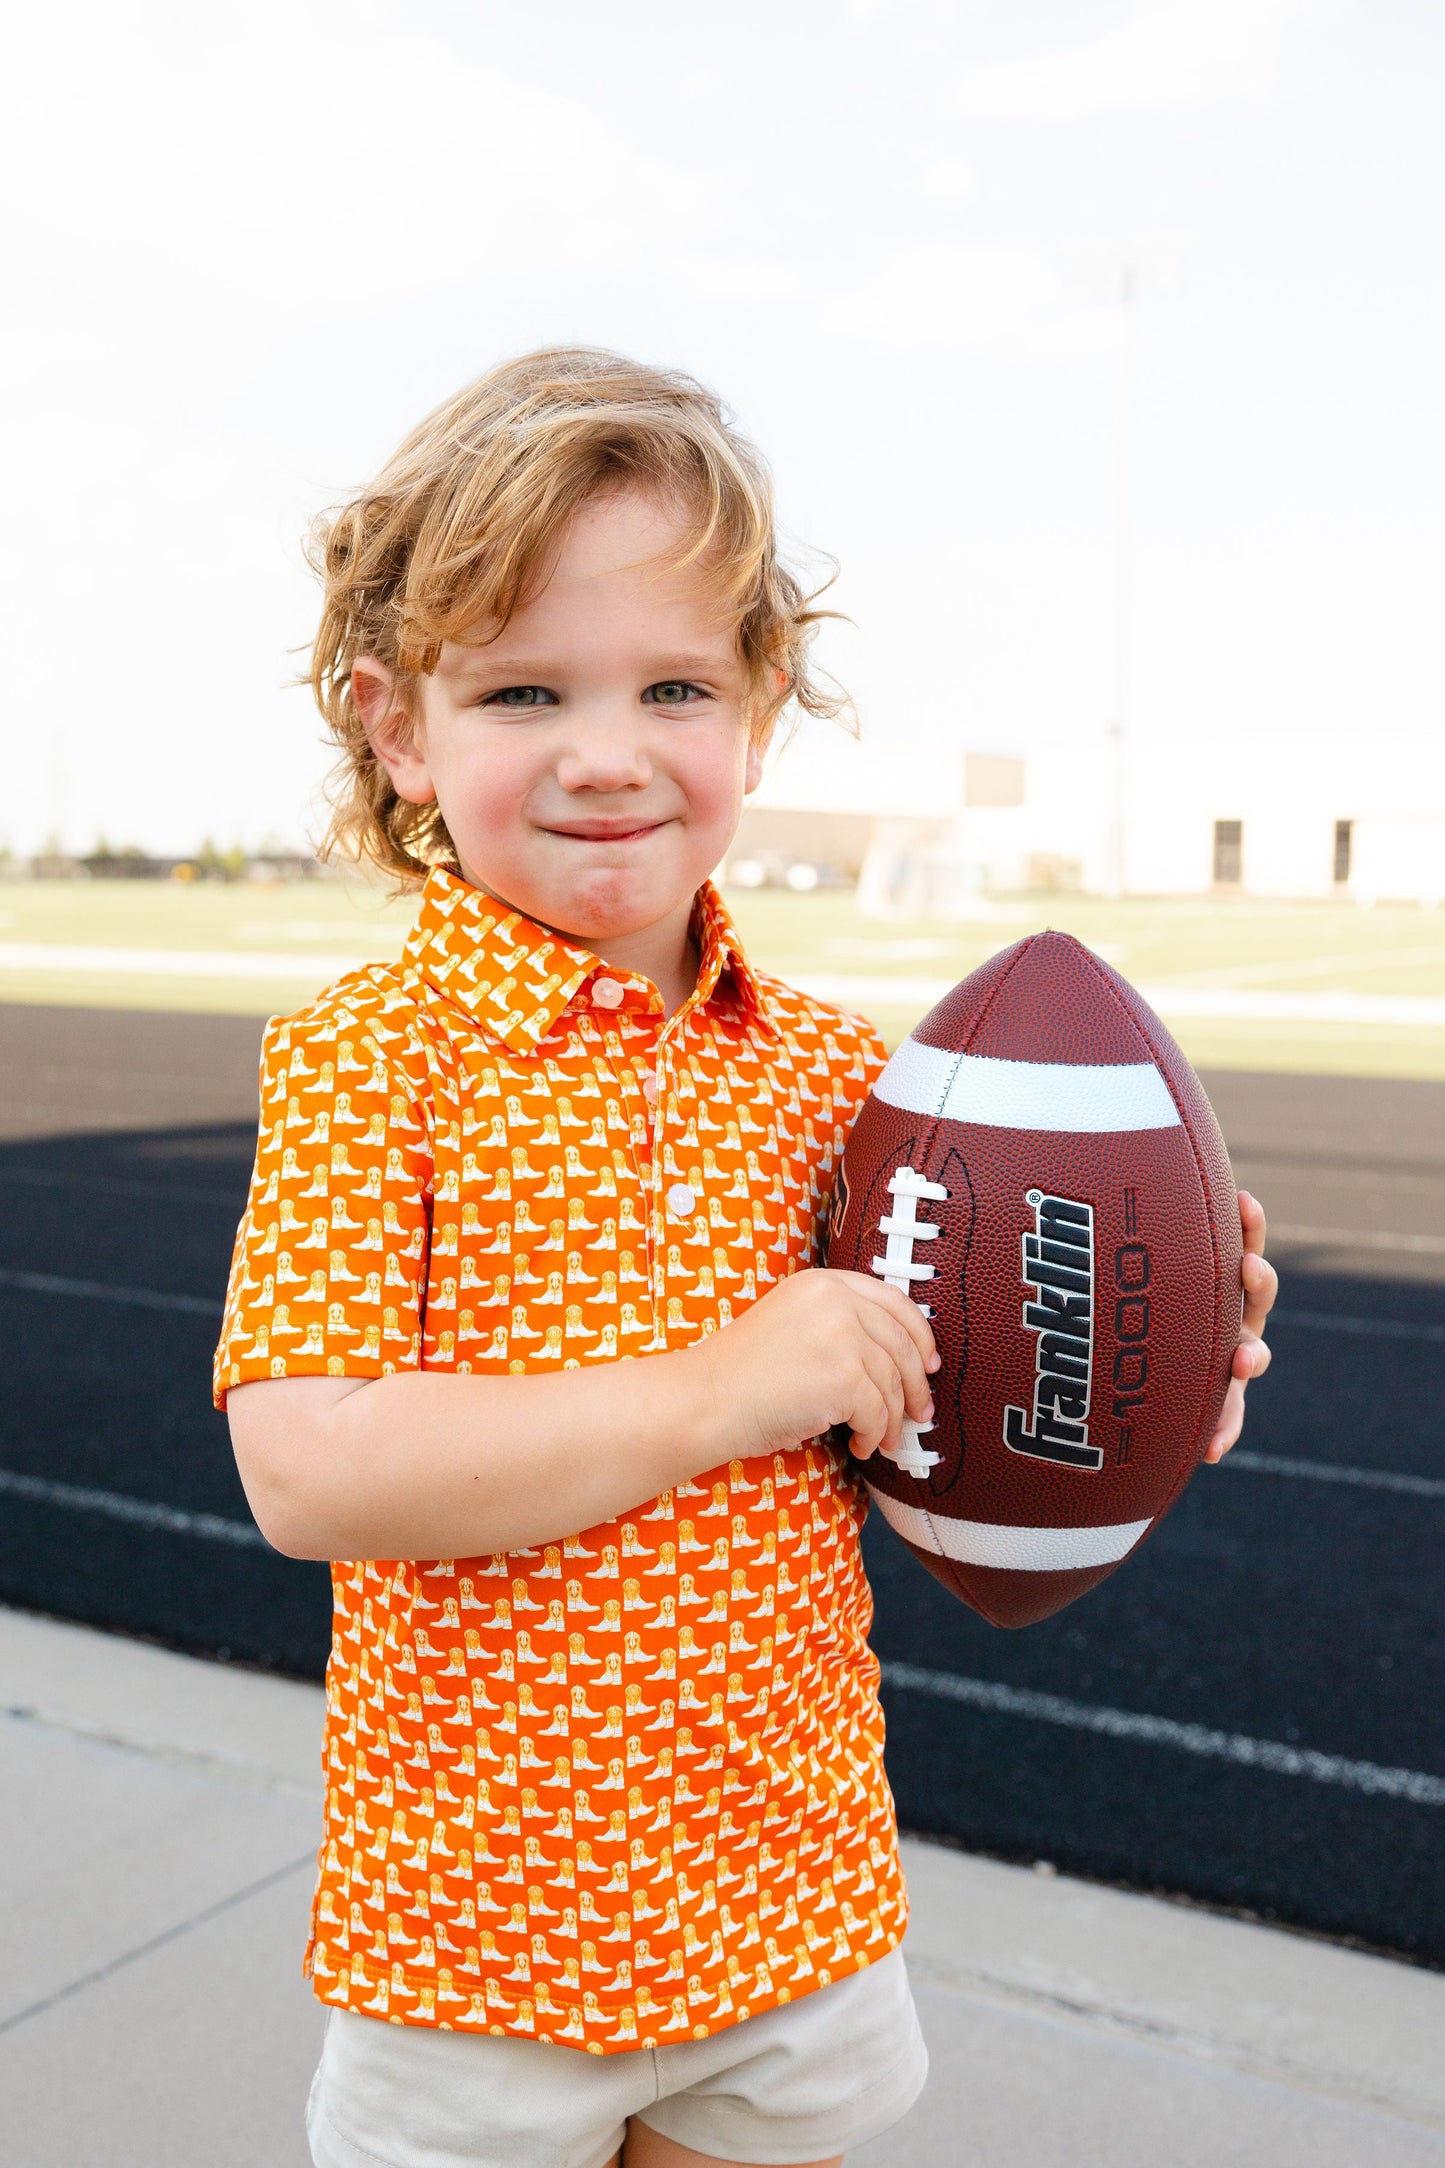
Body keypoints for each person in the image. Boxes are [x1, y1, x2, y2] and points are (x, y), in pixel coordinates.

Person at [216, 347, 1277, 2168]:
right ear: (400, 726)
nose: (608, 750)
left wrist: (1148, 1358)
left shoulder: (855, 1083)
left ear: (762, 706)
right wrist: (723, 1385)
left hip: (782, 1900)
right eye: (524, 688)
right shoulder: (369, 1060)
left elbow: (949, 1426)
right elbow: (306, 1470)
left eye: (676, 685)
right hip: (476, 1940)